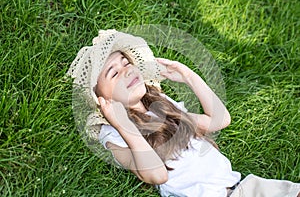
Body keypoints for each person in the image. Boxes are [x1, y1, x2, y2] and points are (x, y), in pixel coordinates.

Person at [67, 29, 300, 197]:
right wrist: (123, 125)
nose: (127, 71)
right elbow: (157, 176)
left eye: (126, 63)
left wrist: (189, 76)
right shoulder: (113, 135)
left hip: (245, 187)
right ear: (101, 100)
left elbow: (220, 120)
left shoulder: (161, 105)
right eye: (114, 73)